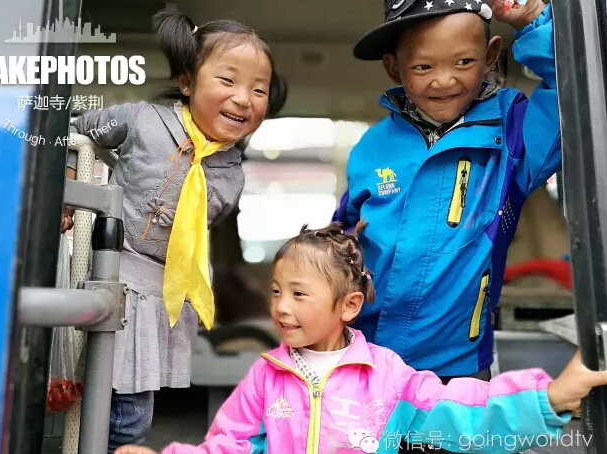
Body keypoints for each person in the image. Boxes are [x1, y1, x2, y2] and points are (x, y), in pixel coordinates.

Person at [113, 223, 607, 454]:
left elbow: (465, 412)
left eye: (300, 294)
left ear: (348, 306)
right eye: (277, 291)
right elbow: (228, 448)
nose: (281, 307)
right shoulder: (266, 376)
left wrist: (548, 398)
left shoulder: (388, 375)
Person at [63, 8, 287, 452]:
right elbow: (74, 131)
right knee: (89, 398)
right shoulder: (142, 119)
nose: (244, 98)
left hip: (158, 290)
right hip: (104, 267)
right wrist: (69, 181)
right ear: (187, 83)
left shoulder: (231, 173)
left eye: (258, 89)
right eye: (228, 81)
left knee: (132, 415)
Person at [332, 0, 561, 384]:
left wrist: (534, 22)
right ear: (394, 67)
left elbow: (574, 94)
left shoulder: (512, 135)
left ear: (489, 57)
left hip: (458, 363)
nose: (444, 81)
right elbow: (340, 242)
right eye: (423, 66)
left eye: (464, 62)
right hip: (362, 354)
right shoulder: (371, 147)